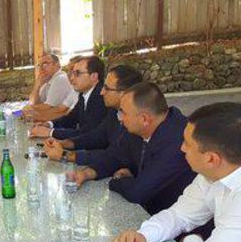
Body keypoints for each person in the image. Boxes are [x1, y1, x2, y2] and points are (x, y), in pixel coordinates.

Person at [112, 102, 241, 242]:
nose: (181, 148)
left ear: (211, 159)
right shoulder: (214, 172)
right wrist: (145, 234)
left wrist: (190, 239)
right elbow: (180, 214)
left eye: (187, 144)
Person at [71, 82, 195, 214]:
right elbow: (114, 157)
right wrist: (86, 173)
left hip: (177, 224)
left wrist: (119, 180)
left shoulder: (178, 140)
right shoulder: (140, 128)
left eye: (123, 113)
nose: (120, 119)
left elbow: (138, 191)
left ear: (144, 119)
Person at [43, 65, 143, 165]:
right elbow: (97, 136)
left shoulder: (136, 121)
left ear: (126, 93)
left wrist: (65, 155)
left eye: (107, 88)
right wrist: (64, 143)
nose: (102, 92)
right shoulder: (113, 111)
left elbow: (114, 156)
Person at [29, 55, 108, 139]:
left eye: (77, 73)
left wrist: (50, 132)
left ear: (94, 77)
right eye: (72, 73)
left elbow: (87, 133)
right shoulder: (84, 94)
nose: (72, 77)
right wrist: (48, 124)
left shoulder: (101, 97)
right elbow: (71, 118)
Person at [23, 55, 81, 122]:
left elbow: (49, 108)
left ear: (57, 65)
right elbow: (34, 103)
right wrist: (37, 85)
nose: (41, 68)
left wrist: (29, 112)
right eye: (39, 65)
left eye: (45, 64)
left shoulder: (60, 79)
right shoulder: (45, 80)